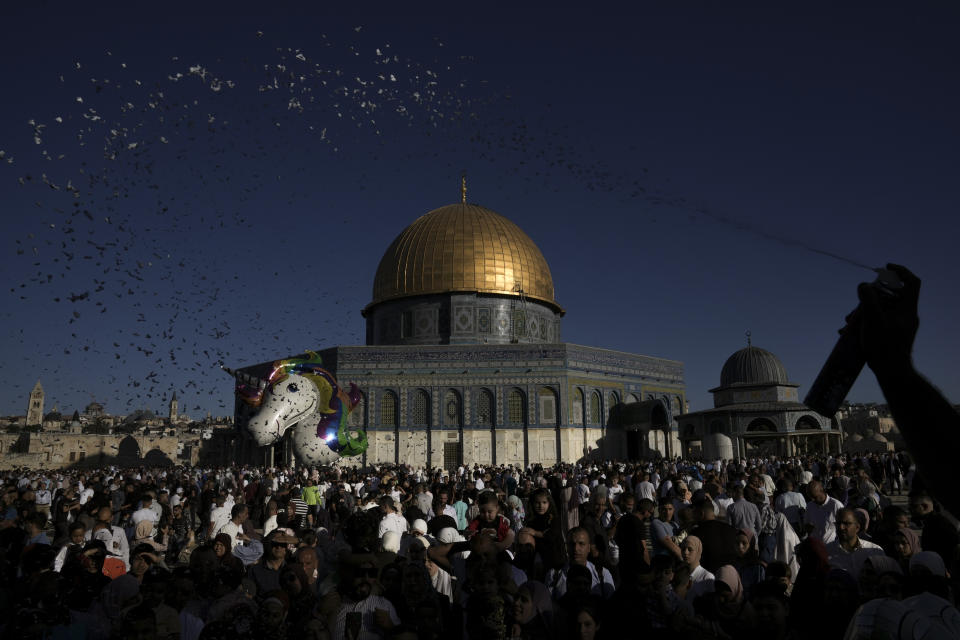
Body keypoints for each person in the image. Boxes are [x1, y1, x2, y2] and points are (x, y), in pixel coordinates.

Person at [825, 507, 883, 575]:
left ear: (857, 527)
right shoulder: (827, 551)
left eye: (846, 524)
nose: (841, 527)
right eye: (838, 523)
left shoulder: (875, 551)